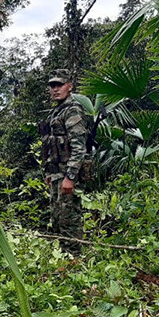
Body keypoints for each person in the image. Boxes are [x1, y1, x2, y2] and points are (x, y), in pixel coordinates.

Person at [39, 69, 89, 255]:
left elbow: (79, 147)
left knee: (69, 219)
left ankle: (75, 260)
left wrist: (71, 176)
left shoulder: (73, 110)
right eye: (52, 85)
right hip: (56, 174)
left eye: (59, 85)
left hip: (67, 175)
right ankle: (65, 259)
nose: (55, 89)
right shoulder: (55, 112)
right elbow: (49, 146)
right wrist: (49, 173)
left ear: (69, 86)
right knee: (57, 218)